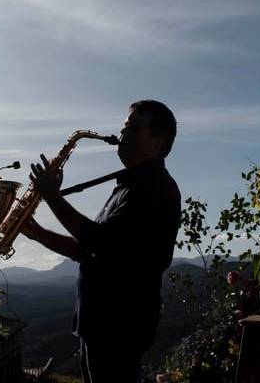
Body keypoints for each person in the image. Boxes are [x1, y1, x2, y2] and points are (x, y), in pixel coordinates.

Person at [20, 100, 181, 382]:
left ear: (157, 143)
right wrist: (36, 232)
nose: (122, 135)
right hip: (102, 326)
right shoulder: (130, 187)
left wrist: (52, 197)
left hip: (118, 327)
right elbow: (90, 252)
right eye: (124, 127)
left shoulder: (153, 190)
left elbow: (99, 242)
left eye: (133, 128)